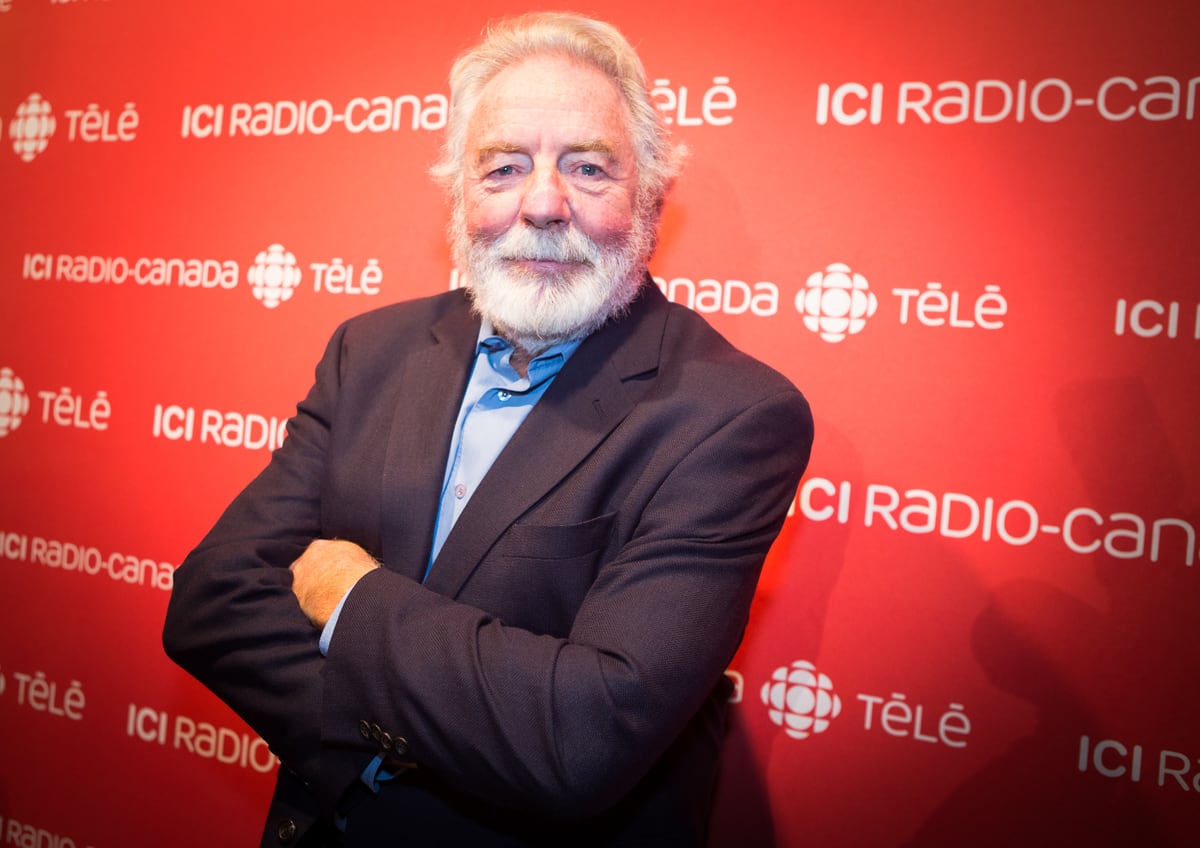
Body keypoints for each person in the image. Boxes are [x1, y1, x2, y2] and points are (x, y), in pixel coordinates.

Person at [163, 11, 813, 847]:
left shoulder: (732, 416)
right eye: (503, 167)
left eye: (588, 167)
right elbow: (213, 600)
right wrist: (390, 744)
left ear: (650, 195)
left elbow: (584, 735)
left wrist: (350, 597)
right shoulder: (371, 350)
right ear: (460, 194)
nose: (542, 204)